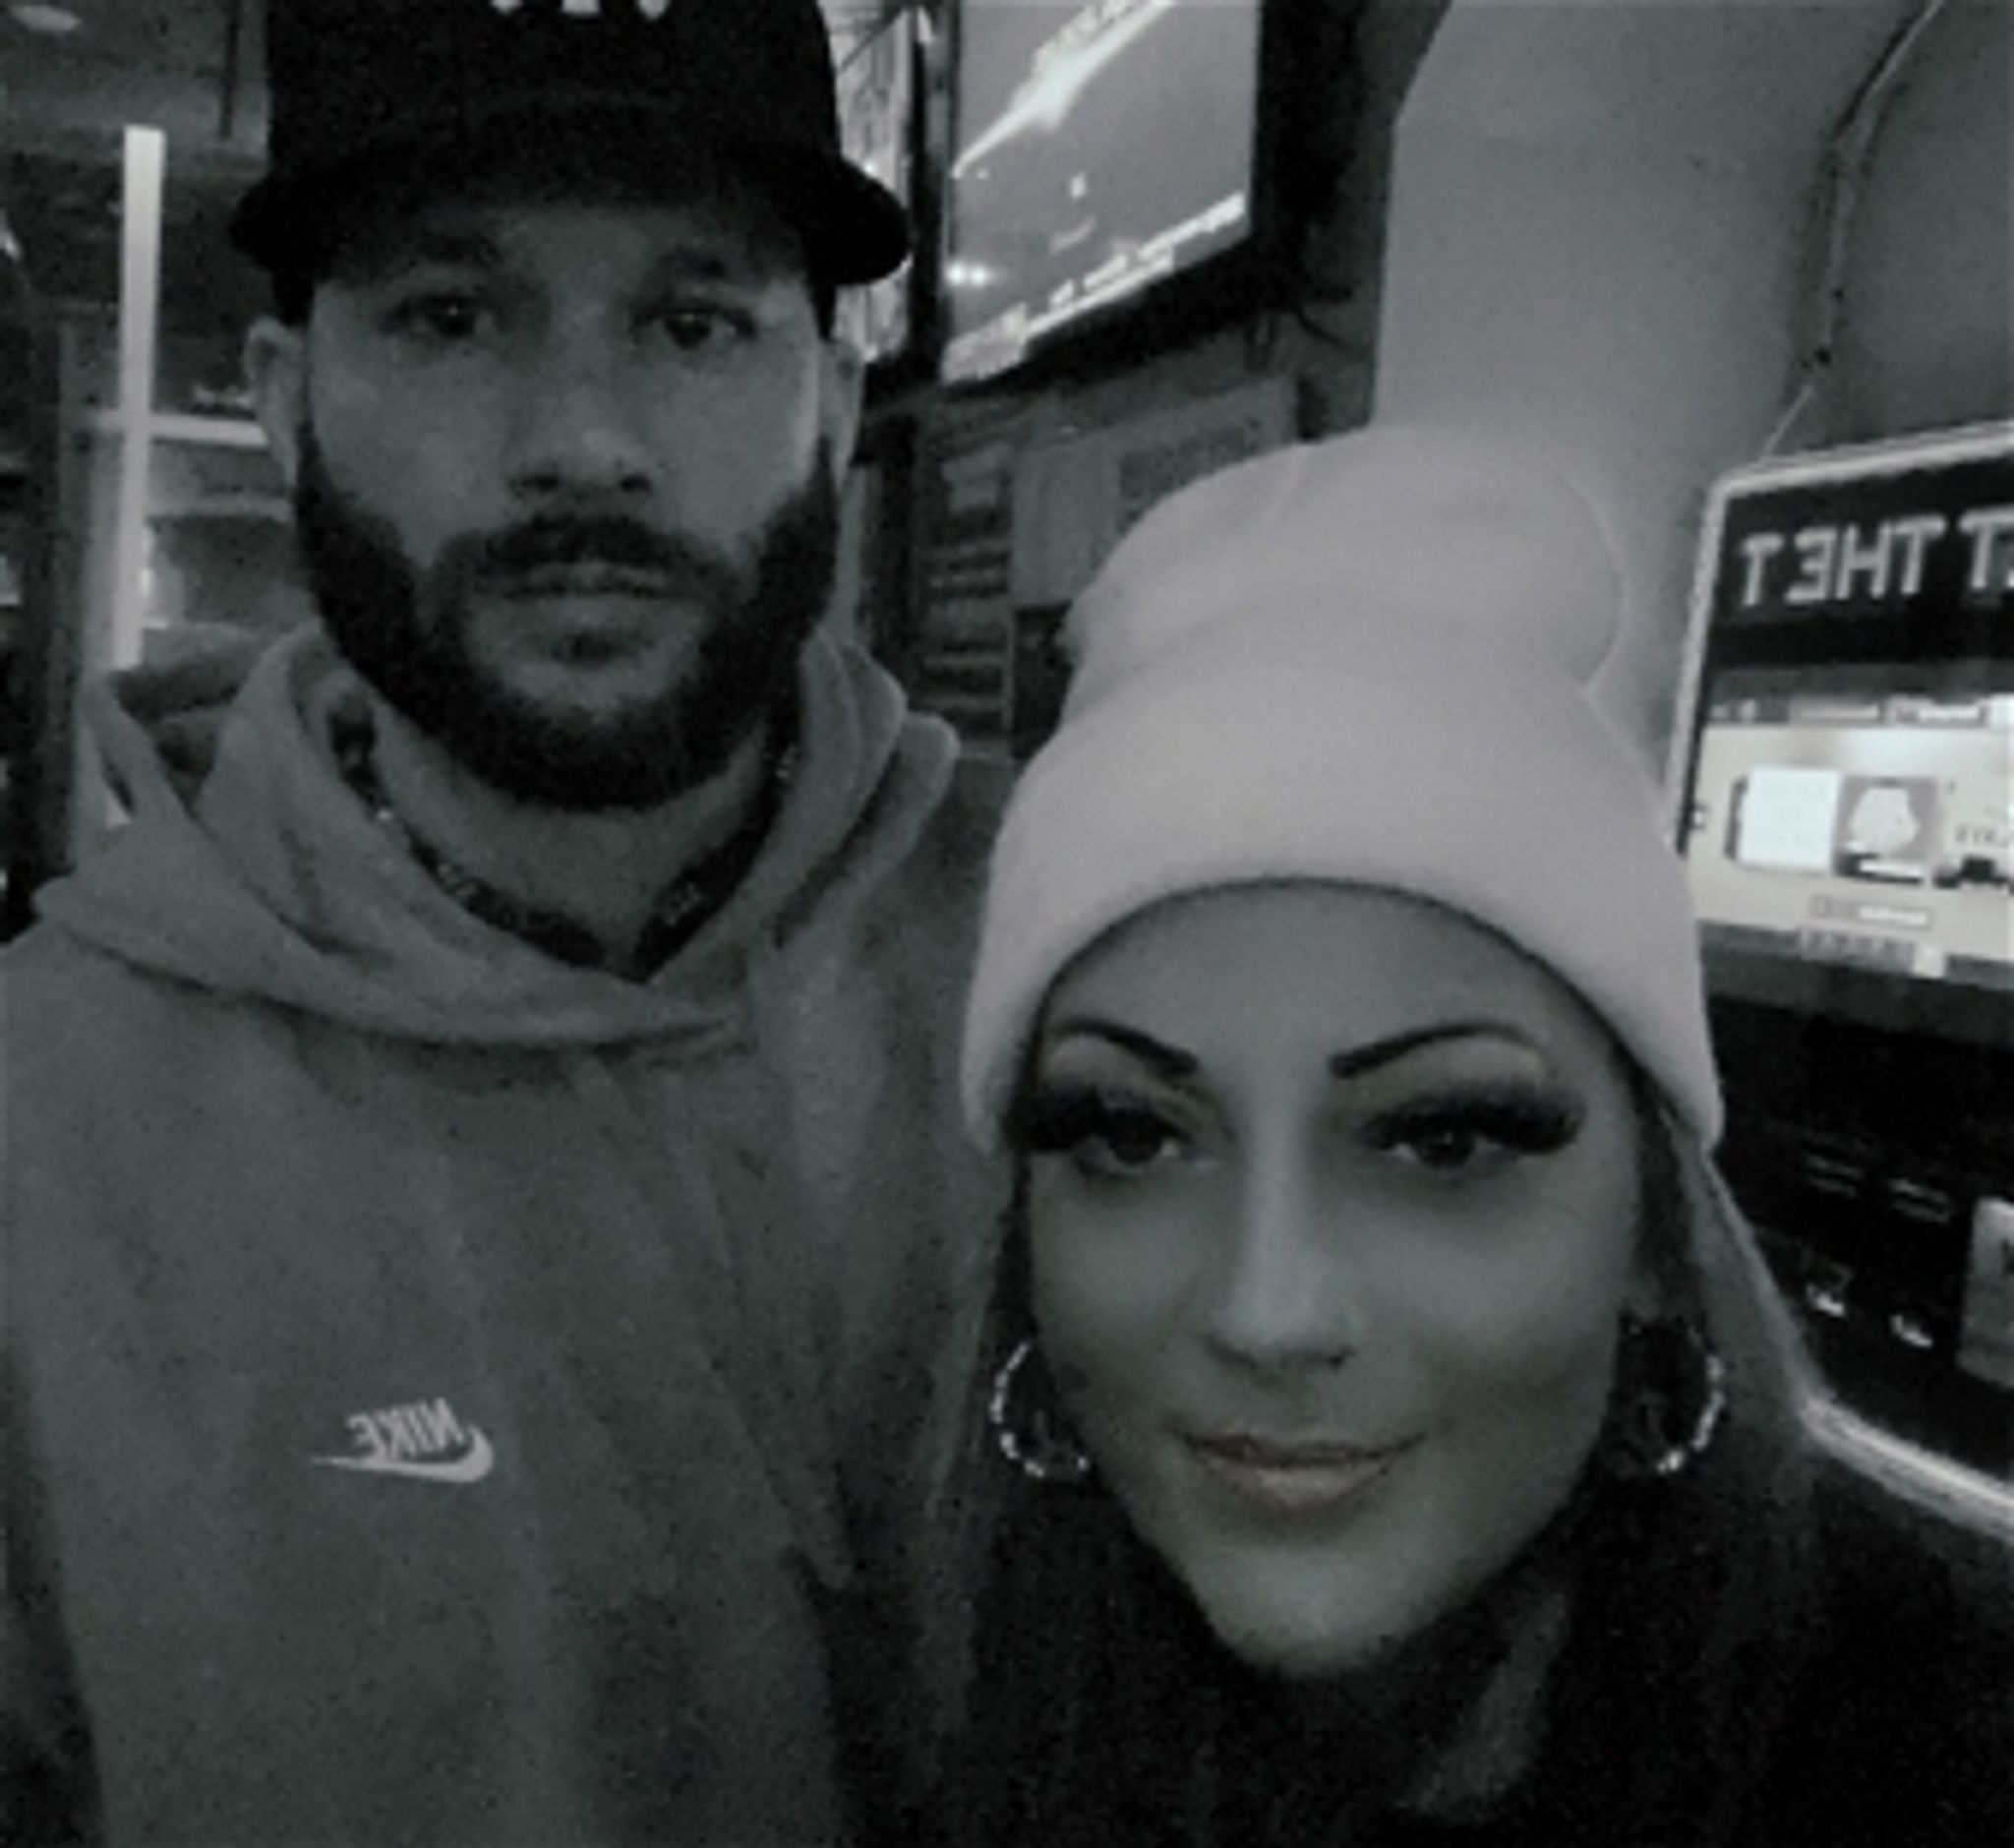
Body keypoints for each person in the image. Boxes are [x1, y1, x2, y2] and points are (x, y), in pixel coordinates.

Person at [2, 3, 999, 1842]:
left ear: (839, 410)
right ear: (286, 399)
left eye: (693, 325)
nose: (585, 444)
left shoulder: (1105, 988)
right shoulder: (40, 1124)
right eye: (452, 318)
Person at [930, 427, 2014, 1846]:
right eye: (1130, 1136)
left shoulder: (1948, 1752)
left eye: (1441, 1141)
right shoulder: (986, 1694)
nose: (1268, 1313)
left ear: (1653, 1235)